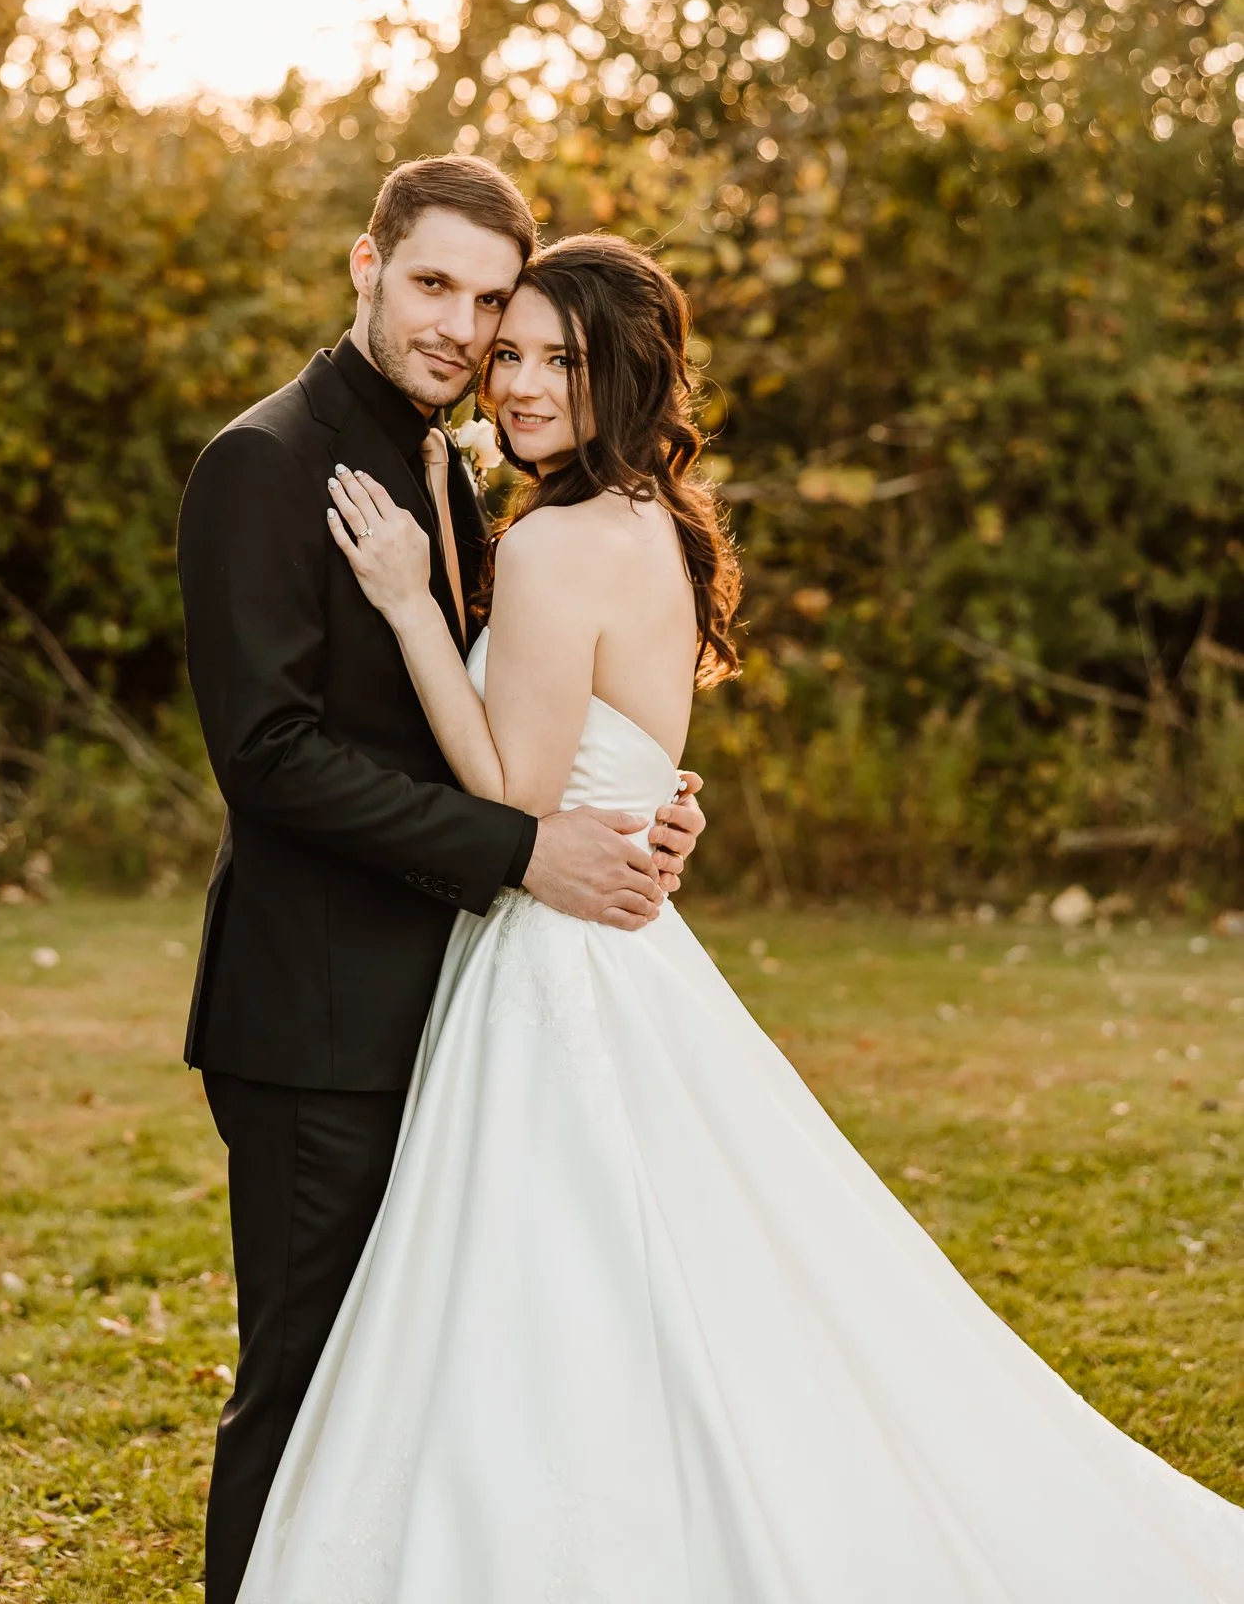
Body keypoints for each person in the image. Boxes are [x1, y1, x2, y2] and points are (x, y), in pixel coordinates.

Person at [235, 233, 1244, 1603]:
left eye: (560, 362)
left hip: (556, 954)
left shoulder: (552, 544)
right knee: (685, 1281)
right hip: (626, 941)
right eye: (511, 352)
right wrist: (652, 799)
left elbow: (521, 792)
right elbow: (617, 750)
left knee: (549, 1289)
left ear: (629, 376)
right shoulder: (650, 518)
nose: (519, 384)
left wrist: (414, 608)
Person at [175, 159, 708, 1604]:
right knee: (306, 1380)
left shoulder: (459, 470)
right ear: (367, 265)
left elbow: (527, 706)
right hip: (319, 1016)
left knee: (426, 1382)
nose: (466, 330)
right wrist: (532, 847)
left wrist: (646, 801)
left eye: (493, 301)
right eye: (437, 286)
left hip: (460, 1003)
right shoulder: (264, 462)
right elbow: (271, 756)